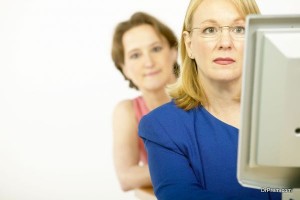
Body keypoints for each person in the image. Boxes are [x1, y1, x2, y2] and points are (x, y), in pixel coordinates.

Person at [138, 0, 282, 199]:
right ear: (189, 45)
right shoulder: (162, 127)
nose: (225, 43)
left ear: (257, 38)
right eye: (210, 30)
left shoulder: (288, 114)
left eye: (239, 29)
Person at [111, 12, 179, 191]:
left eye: (156, 49)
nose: (148, 62)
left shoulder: (204, 96)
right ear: (124, 68)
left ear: (173, 52)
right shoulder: (128, 111)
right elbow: (126, 178)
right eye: (135, 55)